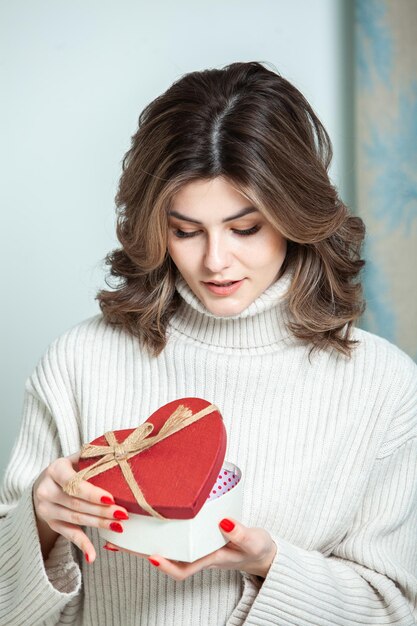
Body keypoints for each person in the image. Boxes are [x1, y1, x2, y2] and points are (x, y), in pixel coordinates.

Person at [1, 60, 416, 626]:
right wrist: (43, 526)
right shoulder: (81, 362)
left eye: (245, 228)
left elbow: (395, 610)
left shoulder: (384, 385)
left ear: (296, 215)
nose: (215, 261)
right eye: (186, 231)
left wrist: (270, 565)